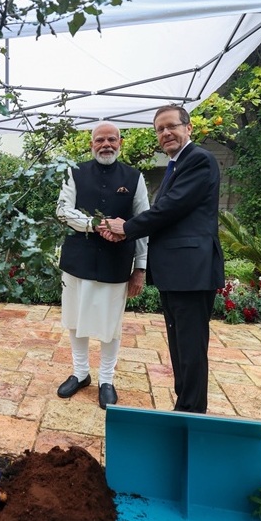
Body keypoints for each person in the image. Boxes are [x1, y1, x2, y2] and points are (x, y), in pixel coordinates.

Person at [101, 106, 224, 413]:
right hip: (178, 272)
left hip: (192, 272)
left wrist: (125, 227)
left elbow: (170, 208)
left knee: (191, 348)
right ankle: (184, 405)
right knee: (180, 346)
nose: (166, 133)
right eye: (160, 129)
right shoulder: (175, 165)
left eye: (172, 126)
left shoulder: (198, 160)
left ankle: (192, 413)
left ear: (189, 128)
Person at [55, 123, 149, 409]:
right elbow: (62, 209)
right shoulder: (74, 171)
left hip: (116, 262)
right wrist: (94, 224)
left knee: (111, 325)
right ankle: (80, 373)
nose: (105, 144)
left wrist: (141, 268)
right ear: (91, 143)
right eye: (100, 140)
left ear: (120, 142)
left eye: (111, 139)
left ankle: (106, 379)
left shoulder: (134, 177)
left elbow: (144, 223)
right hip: (77, 259)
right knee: (75, 319)